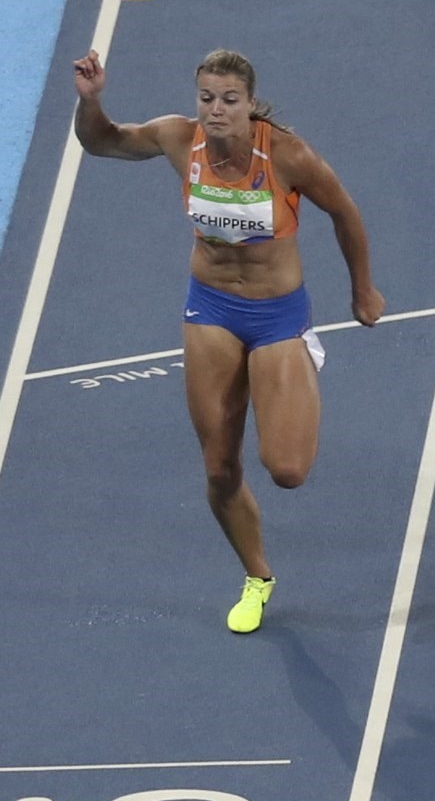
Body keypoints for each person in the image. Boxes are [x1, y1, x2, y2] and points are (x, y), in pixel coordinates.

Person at [70, 48, 382, 632]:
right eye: (207, 98)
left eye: (229, 100)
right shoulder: (176, 139)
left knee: (287, 470)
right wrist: (90, 102)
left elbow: (346, 214)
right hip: (210, 308)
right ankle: (257, 576)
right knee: (218, 468)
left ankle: (300, 365)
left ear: (250, 104)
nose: (216, 110)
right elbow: (102, 142)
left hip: (276, 316)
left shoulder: (286, 154)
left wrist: (362, 290)